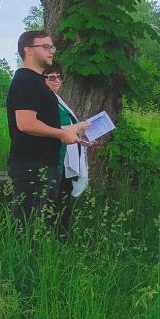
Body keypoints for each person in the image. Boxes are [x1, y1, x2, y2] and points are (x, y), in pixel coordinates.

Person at [6, 30, 88, 225]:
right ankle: (20, 256)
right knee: (26, 229)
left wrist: (71, 130)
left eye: (52, 47)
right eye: (45, 47)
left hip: (44, 164)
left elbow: (44, 123)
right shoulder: (25, 81)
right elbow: (26, 123)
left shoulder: (37, 82)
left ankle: (40, 255)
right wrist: (61, 134)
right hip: (31, 166)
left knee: (42, 226)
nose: (51, 51)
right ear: (28, 50)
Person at [42, 63, 88, 236]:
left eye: (59, 77)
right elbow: (51, 128)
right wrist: (77, 127)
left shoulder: (57, 101)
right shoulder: (45, 101)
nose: (57, 81)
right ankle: (54, 236)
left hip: (68, 156)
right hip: (55, 157)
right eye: (51, 77)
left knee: (64, 198)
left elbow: (68, 127)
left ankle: (63, 235)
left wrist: (83, 137)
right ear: (42, 79)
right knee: (54, 199)